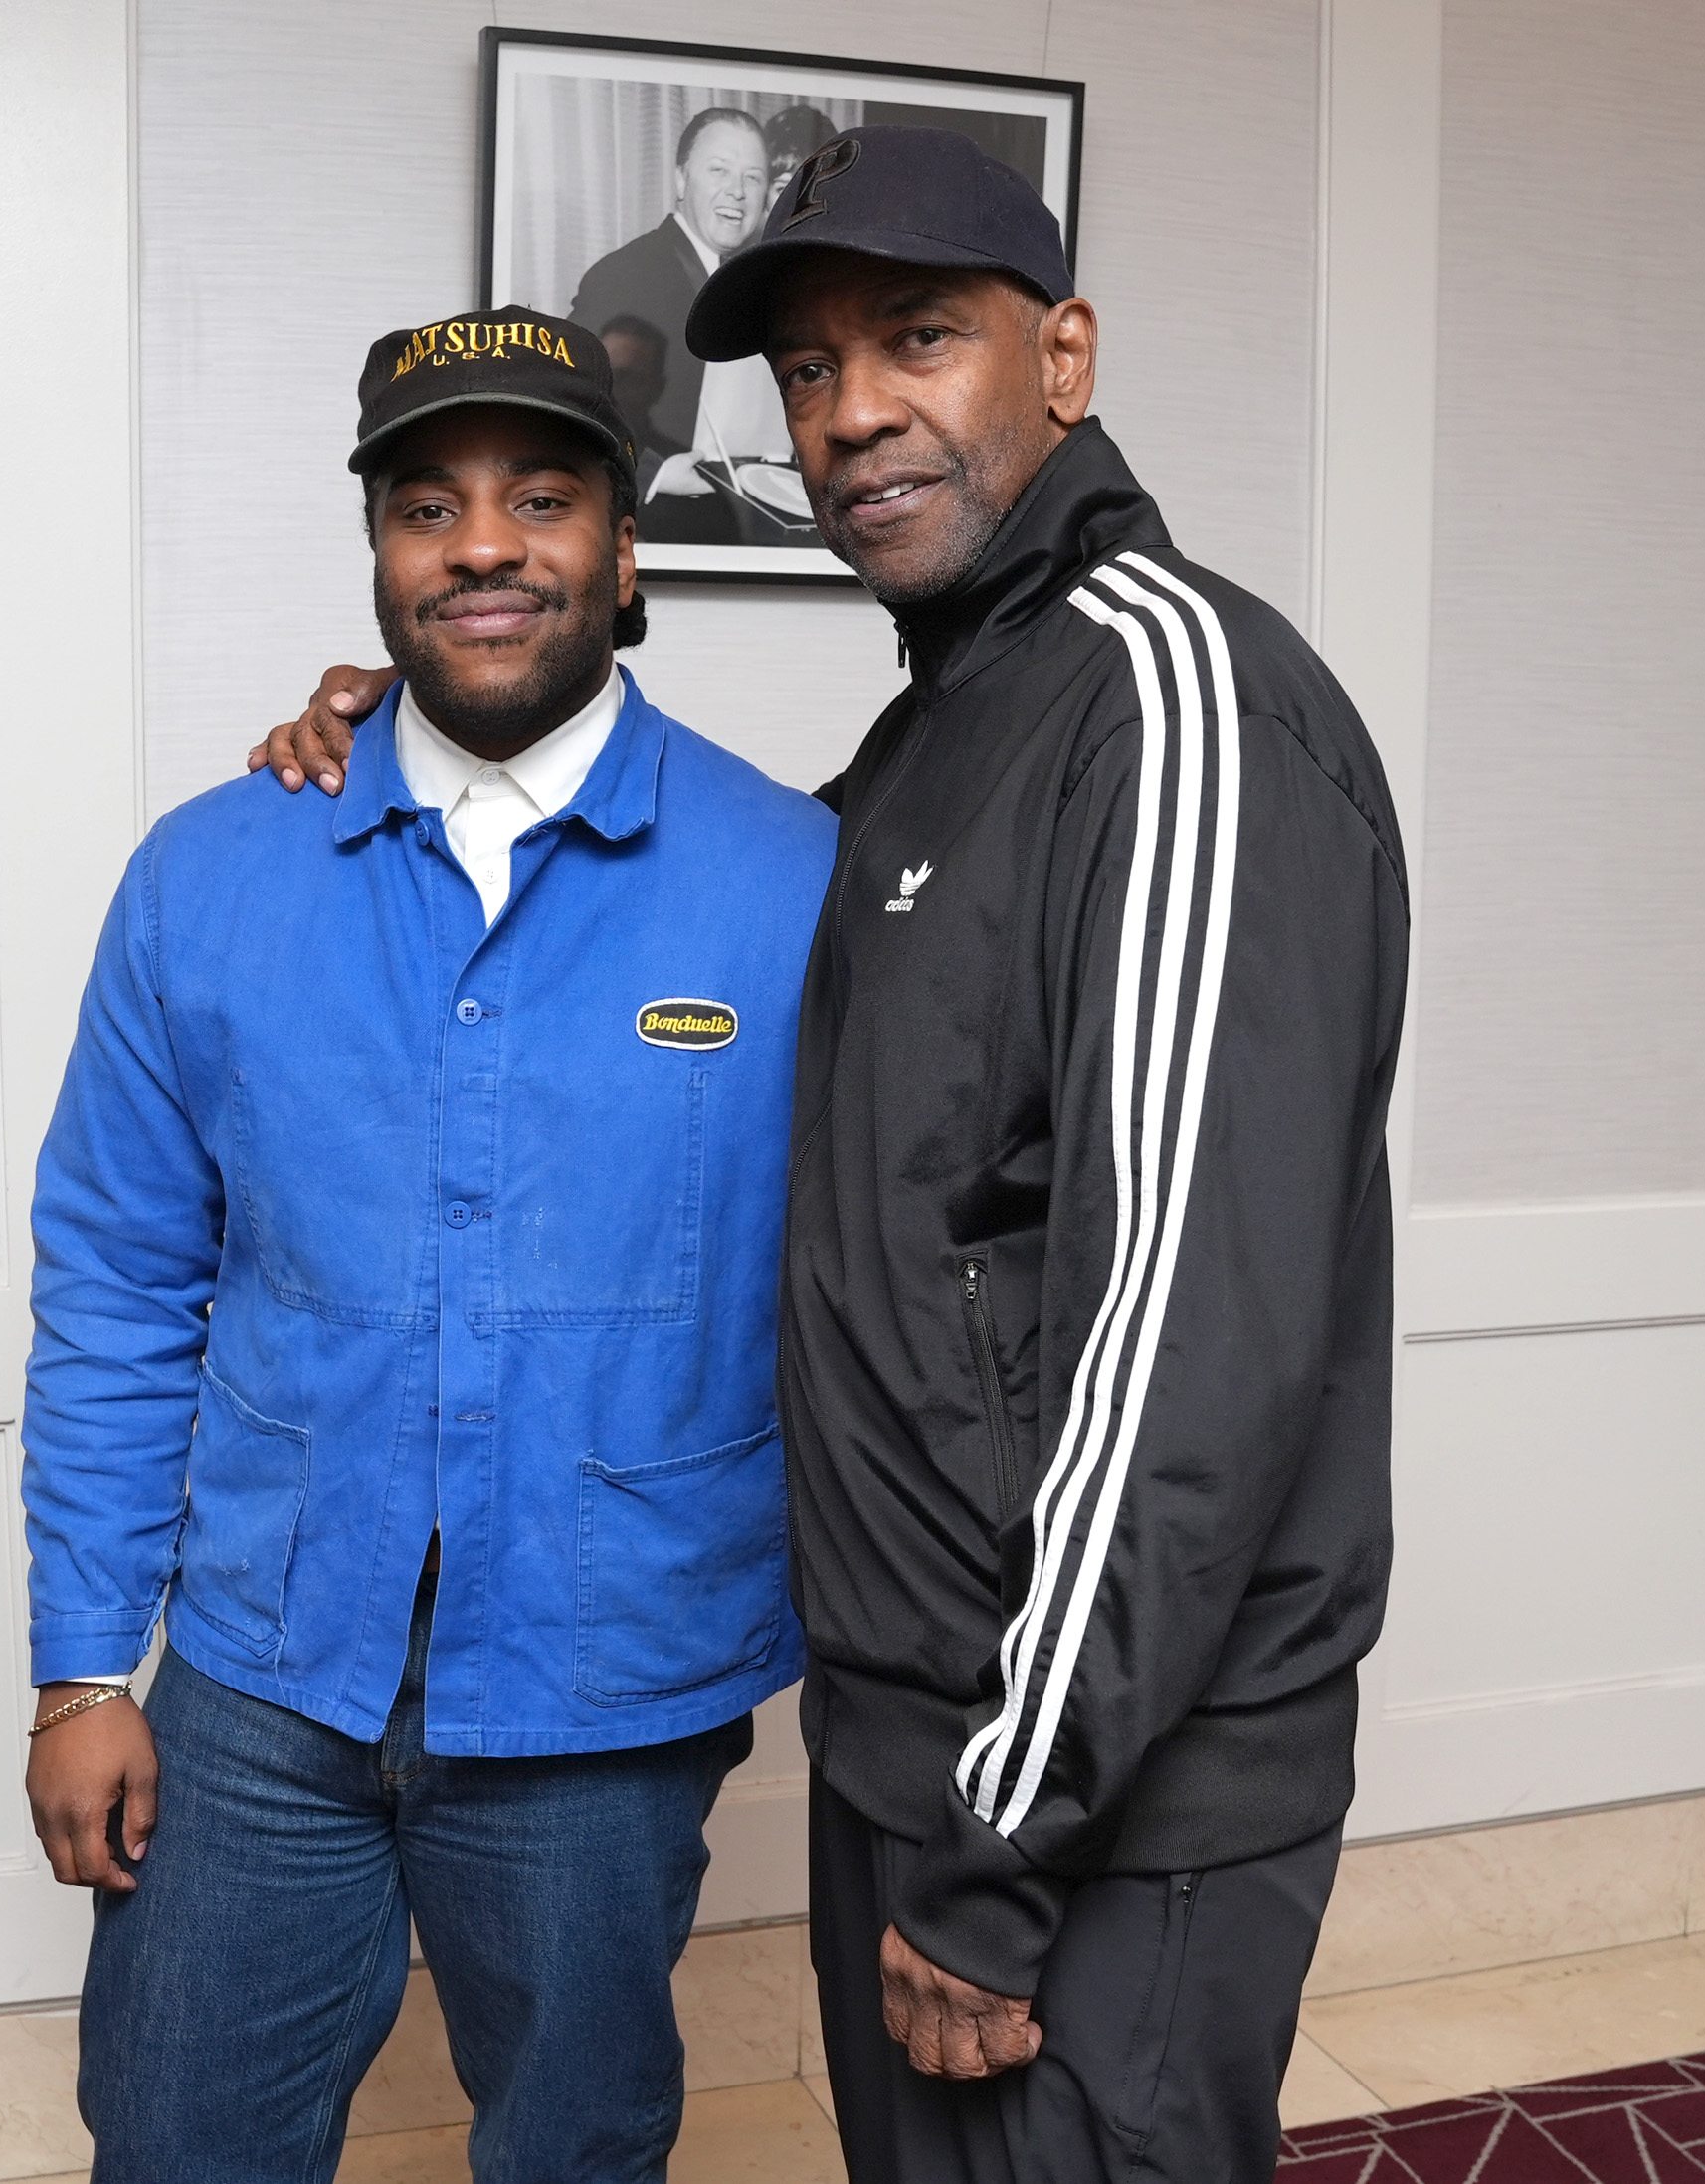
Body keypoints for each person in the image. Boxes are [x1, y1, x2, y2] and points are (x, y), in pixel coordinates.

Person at [251, 127, 1406, 2184]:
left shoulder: (1176, 697)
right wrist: (427, 733)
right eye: (800, 368)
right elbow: (689, 913)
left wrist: (994, 1842)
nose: (846, 408)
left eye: (915, 338)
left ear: (1059, 355)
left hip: (1085, 1800)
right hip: (921, 1748)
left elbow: (1177, 1352)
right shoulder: (929, 741)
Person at [21, 305, 837, 2182]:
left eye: (542, 497)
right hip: (257, 1670)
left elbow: (860, 1298)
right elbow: (124, 1289)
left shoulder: (790, 877)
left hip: (608, 1678)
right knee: (175, 2135)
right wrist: (82, 1670)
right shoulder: (212, 874)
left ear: (624, 553)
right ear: (382, 557)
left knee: (575, 2143)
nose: (481, 544)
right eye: (426, 507)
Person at [570, 104, 769, 544]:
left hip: (744, 518)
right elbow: (571, 401)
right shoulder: (622, 273)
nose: (737, 191)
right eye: (719, 170)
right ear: (681, 180)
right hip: (652, 527)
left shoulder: (762, 283)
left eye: (752, 177)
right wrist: (654, 474)